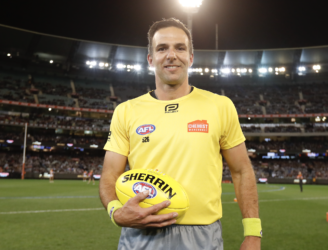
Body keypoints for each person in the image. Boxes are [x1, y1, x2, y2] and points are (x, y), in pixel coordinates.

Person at [99, 18, 261, 250]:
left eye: (180, 48)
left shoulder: (220, 106)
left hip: (202, 235)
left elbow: (242, 170)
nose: (171, 55)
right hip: (141, 233)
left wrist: (253, 233)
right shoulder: (126, 111)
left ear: (191, 57)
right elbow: (109, 175)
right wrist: (115, 212)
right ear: (151, 59)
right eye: (162, 48)